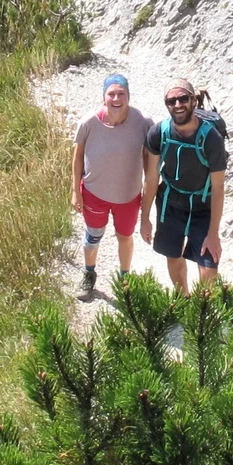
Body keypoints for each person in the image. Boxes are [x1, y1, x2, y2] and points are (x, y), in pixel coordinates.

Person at [72, 74, 151, 300]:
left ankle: (124, 280)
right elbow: (77, 158)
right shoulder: (89, 123)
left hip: (128, 197)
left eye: (121, 93)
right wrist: (75, 191)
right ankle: (89, 274)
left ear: (128, 96)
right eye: (111, 94)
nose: (116, 98)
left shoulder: (144, 123)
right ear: (104, 97)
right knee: (93, 236)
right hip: (94, 193)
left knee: (125, 237)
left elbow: (150, 161)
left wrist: (148, 194)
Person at [143, 78, 226, 293]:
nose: (178, 105)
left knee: (208, 266)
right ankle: (183, 299)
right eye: (172, 101)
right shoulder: (158, 133)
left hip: (203, 205)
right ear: (166, 104)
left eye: (183, 99)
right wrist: (145, 219)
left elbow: (218, 188)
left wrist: (214, 233)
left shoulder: (211, 139)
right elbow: (151, 179)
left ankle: (202, 313)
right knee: (173, 254)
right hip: (170, 203)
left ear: (193, 101)